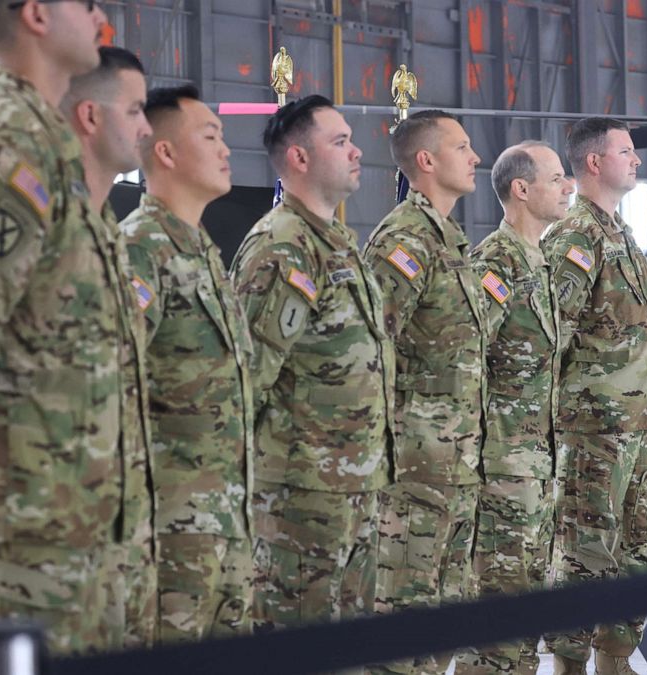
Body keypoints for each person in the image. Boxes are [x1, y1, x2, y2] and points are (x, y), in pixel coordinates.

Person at [0, 0, 147, 654]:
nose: (99, 14)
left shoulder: (43, 139)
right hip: (20, 539)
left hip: (71, 528)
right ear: (37, 15)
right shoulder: (5, 135)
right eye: (86, 4)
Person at [230, 95, 394, 638]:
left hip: (353, 490)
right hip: (300, 502)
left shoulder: (339, 243)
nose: (357, 152)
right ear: (298, 158)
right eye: (340, 141)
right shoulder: (282, 247)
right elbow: (245, 381)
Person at [120, 85, 255, 642]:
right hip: (169, 530)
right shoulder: (139, 249)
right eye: (210, 136)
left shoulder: (202, 253)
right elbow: (118, 387)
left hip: (224, 518)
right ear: (166, 153)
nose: (226, 149)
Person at [362, 110, 486, 674]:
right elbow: (373, 347)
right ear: (427, 162)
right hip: (415, 470)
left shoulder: (450, 239)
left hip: (456, 466)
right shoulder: (404, 239)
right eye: (463, 147)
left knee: (444, 622)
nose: (475, 157)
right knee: (404, 619)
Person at [541, 118, 647, 675]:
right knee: (585, 554)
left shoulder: (622, 234)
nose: (636, 160)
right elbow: (549, 333)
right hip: (593, 428)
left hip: (637, 423)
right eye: (626, 151)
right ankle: (570, 664)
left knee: (638, 553)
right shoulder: (575, 235)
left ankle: (615, 658)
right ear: (594, 162)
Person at [454, 141, 573, 675]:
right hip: (501, 467)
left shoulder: (540, 261)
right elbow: (465, 358)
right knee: (498, 612)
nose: (567, 186)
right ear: (521, 190)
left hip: (535, 466)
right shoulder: (494, 263)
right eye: (555, 178)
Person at [60, 45, 157, 649]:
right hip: (40, 530)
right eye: (137, 109)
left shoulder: (105, 236)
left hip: (116, 525)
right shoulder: (47, 218)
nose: (146, 127)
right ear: (91, 117)